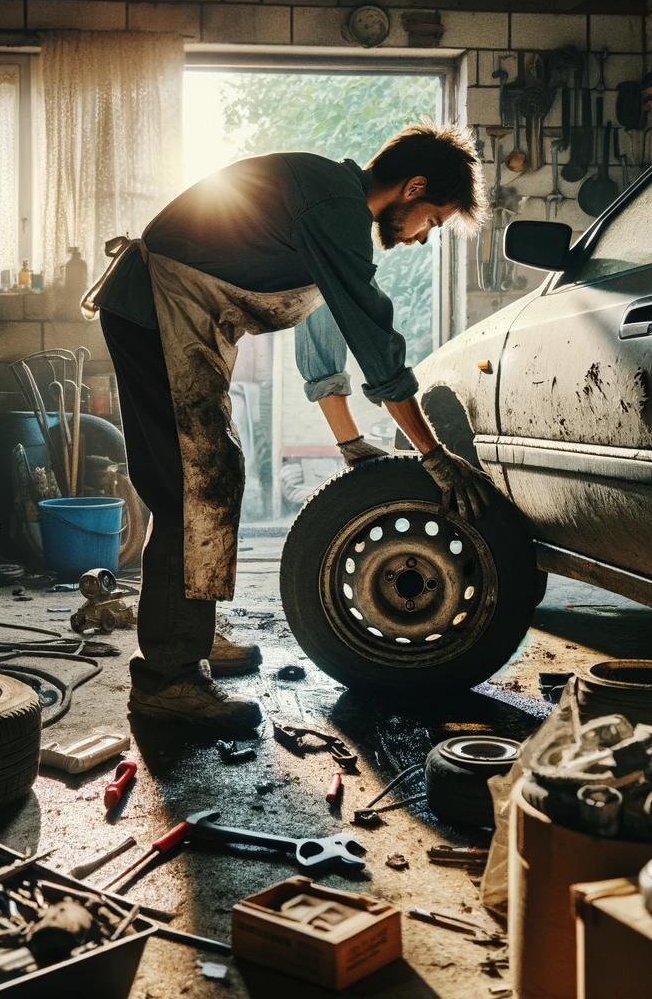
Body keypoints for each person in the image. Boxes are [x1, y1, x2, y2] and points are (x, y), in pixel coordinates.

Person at [87, 121, 495, 731]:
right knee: (192, 486)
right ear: (413, 189)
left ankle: (187, 635)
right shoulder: (336, 207)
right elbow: (375, 342)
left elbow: (328, 336)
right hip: (154, 312)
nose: (420, 239)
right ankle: (169, 678)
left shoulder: (329, 206)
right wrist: (432, 453)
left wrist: (349, 439)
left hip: (174, 319)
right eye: (432, 222)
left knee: (209, 477)